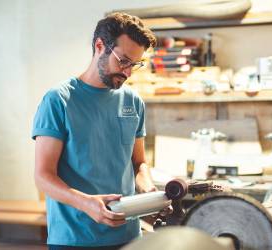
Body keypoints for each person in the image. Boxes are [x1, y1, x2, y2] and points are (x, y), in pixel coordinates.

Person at [32, 12, 170, 250]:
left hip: (128, 236)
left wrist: (148, 189)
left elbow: (139, 163)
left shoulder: (133, 101)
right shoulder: (58, 100)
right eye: (123, 61)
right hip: (74, 239)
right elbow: (43, 176)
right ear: (99, 46)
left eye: (135, 65)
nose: (127, 72)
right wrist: (87, 204)